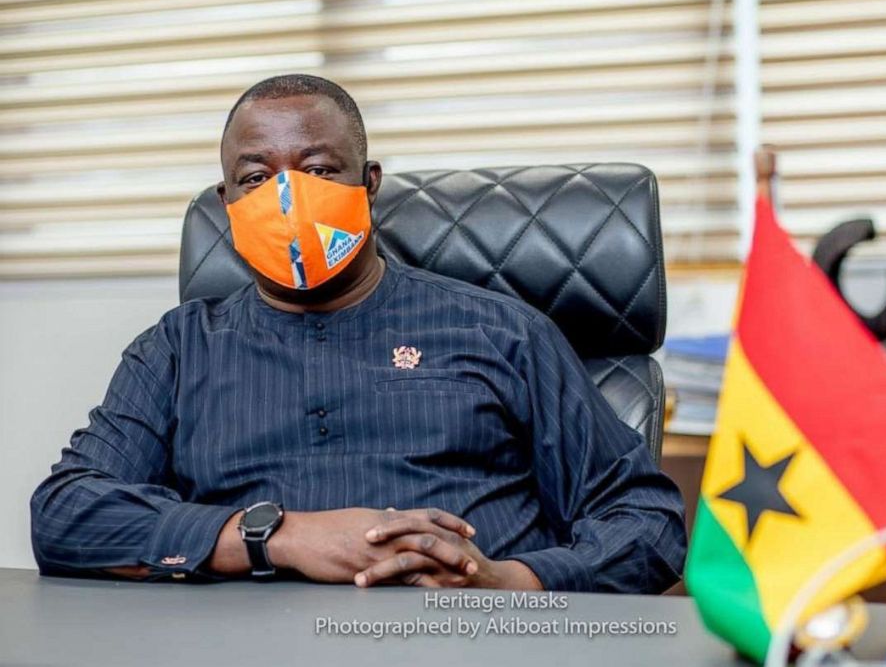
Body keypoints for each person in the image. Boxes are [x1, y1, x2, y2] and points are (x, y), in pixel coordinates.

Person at [30, 74, 686, 593]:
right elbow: (66, 512)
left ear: (368, 186)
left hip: (472, 640)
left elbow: (647, 519)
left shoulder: (501, 331)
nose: (286, 198)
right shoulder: (176, 349)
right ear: (227, 202)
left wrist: (510, 580)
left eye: (317, 170)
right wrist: (276, 535)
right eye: (256, 179)